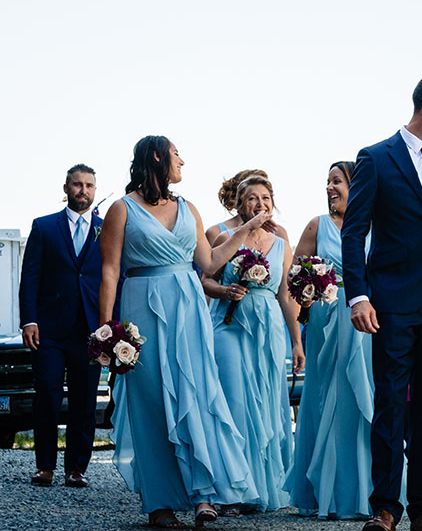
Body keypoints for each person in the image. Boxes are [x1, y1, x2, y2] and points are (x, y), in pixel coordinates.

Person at [98, 135, 272, 528]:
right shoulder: (121, 210)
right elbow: (110, 270)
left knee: (196, 393)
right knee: (152, 401)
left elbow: (208, 263)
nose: (183, 161)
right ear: (158, 157)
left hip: (189, 309)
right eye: (177, 155)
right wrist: (107, 329)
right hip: (141, 307)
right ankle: (159, 503)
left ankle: (203, 494)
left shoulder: (188, 208)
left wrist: (246, 228)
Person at [341, 74, 422, 531]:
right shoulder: (375, 158)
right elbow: (353, 232)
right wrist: (358, 294)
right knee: (391, 406)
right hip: (390, 303)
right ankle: (385, 509)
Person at [203, 174, 302, 515]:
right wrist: (224, 291)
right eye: (251, 199)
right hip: (229, 324)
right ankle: (231, 490)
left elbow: (286, 294)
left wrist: (296, 341)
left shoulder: (281, 241)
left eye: (265, 198)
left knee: (267, 403)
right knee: (234, 400)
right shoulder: (221, 235)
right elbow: (203, 280)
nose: (259, 205)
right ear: (238, 204)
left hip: (268, 327)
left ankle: (263, 487)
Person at [285, 161, 375, 519]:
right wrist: (307, 293)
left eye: (337, 181)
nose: (329, 188)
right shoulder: (316, 226)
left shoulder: (374, 227)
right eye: (327, 182)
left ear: (356, 186)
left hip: (366, 321)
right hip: (324, 321)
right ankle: (324, 493)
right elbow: (293, 279)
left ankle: (363, 491)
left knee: (360, 398)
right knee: (327, 399)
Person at [19, 164, 114, 488]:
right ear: (66, 188)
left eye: (89, 185)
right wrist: (29, 320)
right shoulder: (44, 227)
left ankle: (76, 468)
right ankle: (44, 465)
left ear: (94, 190)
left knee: (85, 400)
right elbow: (30, 275)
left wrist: (111, 326)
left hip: (90, 330)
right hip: (49, 329)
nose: (83, 191)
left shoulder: (107, 228)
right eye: (77, 185)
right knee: (46, 392)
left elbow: (115, 275)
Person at [205, 169, 290, 247]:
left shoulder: (279, 232)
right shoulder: (215, 232)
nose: (261, 203)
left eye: (265, 197)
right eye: (252, 198)